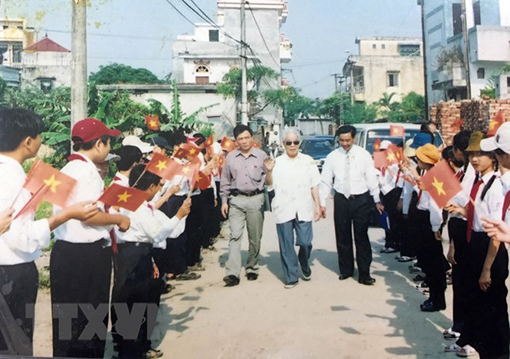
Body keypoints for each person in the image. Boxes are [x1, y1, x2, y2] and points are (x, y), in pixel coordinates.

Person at [0, 109, 98, 356]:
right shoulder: (12, 178)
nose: (42, 140)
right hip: (12, 273)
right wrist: (63, 216)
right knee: (15, 347)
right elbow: (20, 237)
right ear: (28, 141)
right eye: (40, 135)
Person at [50, 118, 130, 358]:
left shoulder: (67, 169)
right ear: (98, 145)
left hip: (64, 252)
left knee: (67, 326)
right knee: (90, 325)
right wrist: (119, 220)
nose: (108, 150)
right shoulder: (88, 172)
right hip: (87, 257)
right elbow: (89, 217)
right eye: (108, 143)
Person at [112, 164, 190, 359]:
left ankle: (135, 348)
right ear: (150, 187)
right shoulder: (138, 206)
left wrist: (152, 260)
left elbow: (154, 234)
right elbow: (157, 234)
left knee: (136, 305)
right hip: (134, 257)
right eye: (157, 186)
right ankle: (132, 352)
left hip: (137, 254)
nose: (159, 189)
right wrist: (179, 215)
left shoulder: (132, 200)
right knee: (136, 307)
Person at [447, 131, 508, 359]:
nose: (474, 159)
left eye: (480, 154)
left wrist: (486, 268)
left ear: (493, 157)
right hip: (476, 245)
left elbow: (495, 232)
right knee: (481, 307)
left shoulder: (496, 186)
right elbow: (481, 217)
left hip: (490, 250)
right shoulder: (481, 183)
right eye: (472, 154)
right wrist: (462, 211)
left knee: (494, 310)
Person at [320, 125, 383, 285]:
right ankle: (346, 270)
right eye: (341, 140)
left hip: (361, 199)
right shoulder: (332, 157)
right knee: (343, 235)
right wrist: (322, 203)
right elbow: (326, 181)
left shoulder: (363, 155)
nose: (345, 143)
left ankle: (364, 273)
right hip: (341, 199)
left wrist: (376, 199)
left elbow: (371, 178)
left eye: (348, 140)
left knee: (361, 235)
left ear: (353, 139)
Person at [265, 127, 321, 288]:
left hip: (303, 206)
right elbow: (269, 185)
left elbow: (314, 185)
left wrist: (318, 205)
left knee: (305, 242)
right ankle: (291, 276)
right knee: (286, 243)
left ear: (299, 143)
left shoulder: (308, 161)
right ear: (283, 144)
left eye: (295, 142)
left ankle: (303, 261)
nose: (292, 145)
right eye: (288, 142)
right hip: (284, 207)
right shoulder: (277, 163)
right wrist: (268, 172)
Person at [220, 125, 270, 287]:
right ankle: (232, 272)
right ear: (236, 141)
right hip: (237, 200)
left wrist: (269, 172)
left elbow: (269, 181)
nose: (244, 141)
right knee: (235, 236)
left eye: (247, 137)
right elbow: (225, 181)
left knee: (255, 236)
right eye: (240, 139)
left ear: (251, 138)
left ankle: (252, 266)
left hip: (256, 199)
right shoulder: (231, 158)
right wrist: (224, 201)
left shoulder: (261, 156)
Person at [404, 143, 447, 312]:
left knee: (433, 264)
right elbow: (423, 191)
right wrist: (412, 176)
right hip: (425, 220)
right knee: (430, 263)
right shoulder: (429, 174)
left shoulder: (434, 177)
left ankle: (436, 300)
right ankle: (434, 298)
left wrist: (436, 227)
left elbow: (436, 206)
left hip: (429, 223)